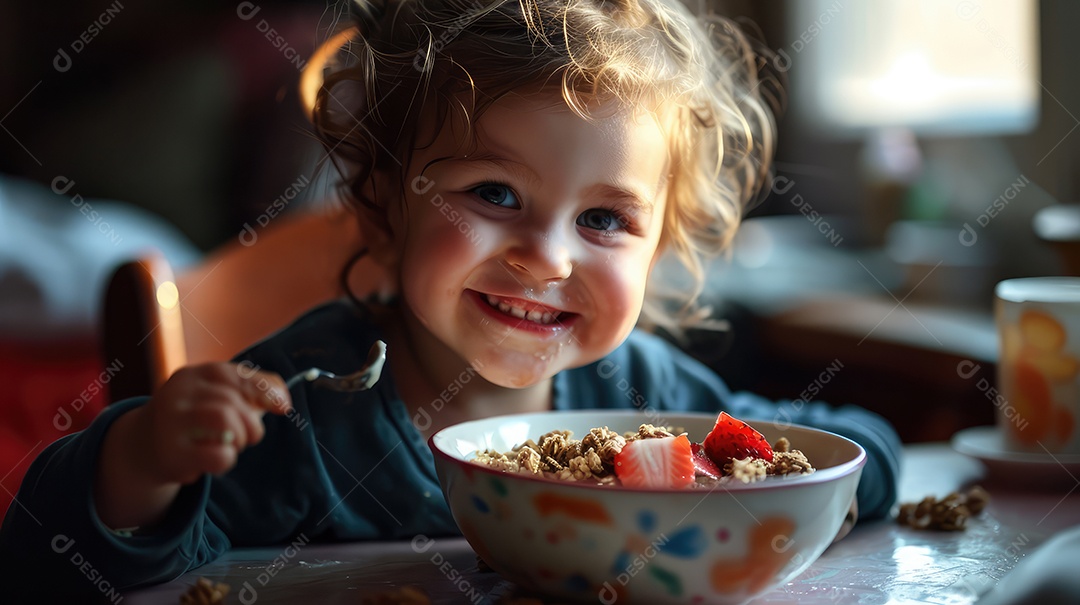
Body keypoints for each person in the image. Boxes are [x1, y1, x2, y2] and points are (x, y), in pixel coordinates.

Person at [0, 0, 900, 597]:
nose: (546, 258)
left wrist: (840, 478)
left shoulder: (647, 401)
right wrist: (147, 457)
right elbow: (48, 558)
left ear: (659, 249)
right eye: (495, 195)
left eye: (602, 219)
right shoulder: (310, 408)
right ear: (386, 208)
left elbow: (842, 450)